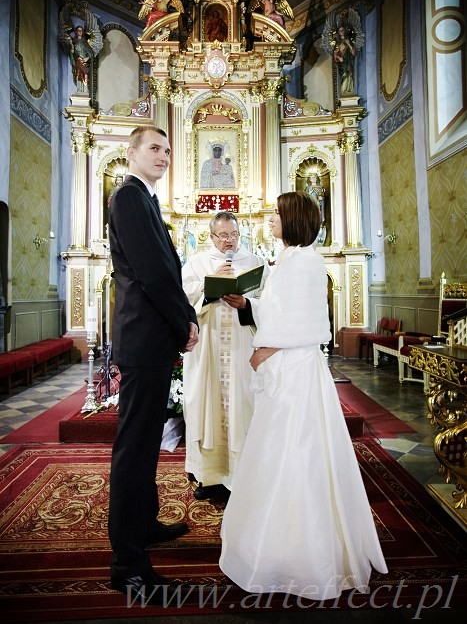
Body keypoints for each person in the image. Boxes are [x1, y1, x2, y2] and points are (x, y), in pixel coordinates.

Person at [219, 191, 388, 600]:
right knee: (285, 453)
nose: (271, 219)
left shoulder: (304, 262)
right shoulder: (294, 260)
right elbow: (282, 310)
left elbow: (300, 322)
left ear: (293, 219)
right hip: (291, 365)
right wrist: (250, 305)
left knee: (292, 453)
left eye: (277, 214)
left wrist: (264, 351)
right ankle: (279, 541)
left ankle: (297, 551)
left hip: (293, 370)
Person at [107, 126, 199, 605]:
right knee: (135, 447)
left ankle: (143, 523)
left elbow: (166, 268)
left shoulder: (145, 199)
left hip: (150, 338)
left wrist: (182, 318)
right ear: (132, 153)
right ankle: (127, 563)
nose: (162, 155)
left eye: (167, 149)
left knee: (144, 444)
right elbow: (152, 271)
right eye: (153, 148)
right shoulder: (128, 197)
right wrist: (184, 318)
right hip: (144, 338)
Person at [181, 211, 269, 500]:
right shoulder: (196, 263)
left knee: (243, 405)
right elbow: (183, 300)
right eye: (223, 235)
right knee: (206, 406)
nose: (229, 241)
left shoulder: (256, 264)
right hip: (207, 349)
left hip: (243, 350)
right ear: (211, 235)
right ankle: (209, 476)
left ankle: (242, 475)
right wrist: (208, 287)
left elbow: (269, 303)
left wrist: (246, 303)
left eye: (234, 235)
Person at [333, 25, 357, 94]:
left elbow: (353, 53)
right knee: (344, 76)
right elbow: (335, 54)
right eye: (340, 30)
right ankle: (344, 92)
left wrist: (349, 44)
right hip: (342, 64)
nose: (342, 32)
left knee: (349, 75)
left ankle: (349, 90)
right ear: (338, 32)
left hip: (348, 62)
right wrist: (338, 58)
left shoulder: (348, 40)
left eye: (343, 30)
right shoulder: (338, 43)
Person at [69, 25, 94, 91]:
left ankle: (85, 90)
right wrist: (71, 46)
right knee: (78, 75)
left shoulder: (85, 42)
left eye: (81, 30)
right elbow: (72, 53)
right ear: (76, 32)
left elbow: (91, 53)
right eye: (78, 30)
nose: (80, 32)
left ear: (82, 32)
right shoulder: (74, 42)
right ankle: (79, 89)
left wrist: (88, 58)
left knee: (85, 76)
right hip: (77, 61)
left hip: (85, 62)